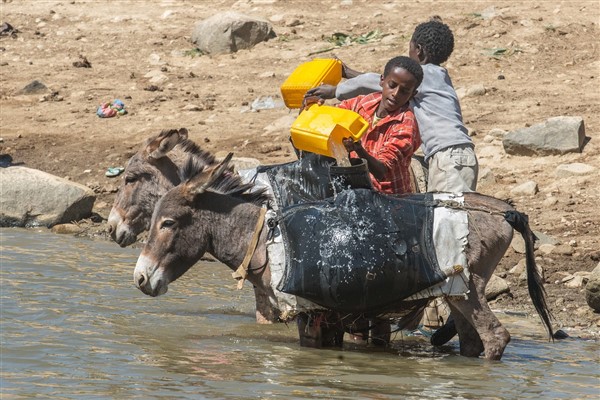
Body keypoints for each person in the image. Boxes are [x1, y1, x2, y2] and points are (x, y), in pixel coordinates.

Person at [306, 19, 478, 193]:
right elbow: (386, 79)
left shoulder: (424, 77)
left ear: (418, 50)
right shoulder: (436, 77)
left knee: (450, 213)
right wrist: (347, 74)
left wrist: (335, 90)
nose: (396, 93)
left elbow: (373, 81)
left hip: (448, 156)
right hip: (452, 155)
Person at [304, 55, 424, 195]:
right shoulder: (362, 103)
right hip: (358, 190)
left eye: (404, 91)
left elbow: (381, 171)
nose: (395, 94)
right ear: (382, 80)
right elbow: (331, 118)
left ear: (412, 94)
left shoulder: (406, 125)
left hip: (390, 200)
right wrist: (313, 109)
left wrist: (358, 149)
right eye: (392, 86)